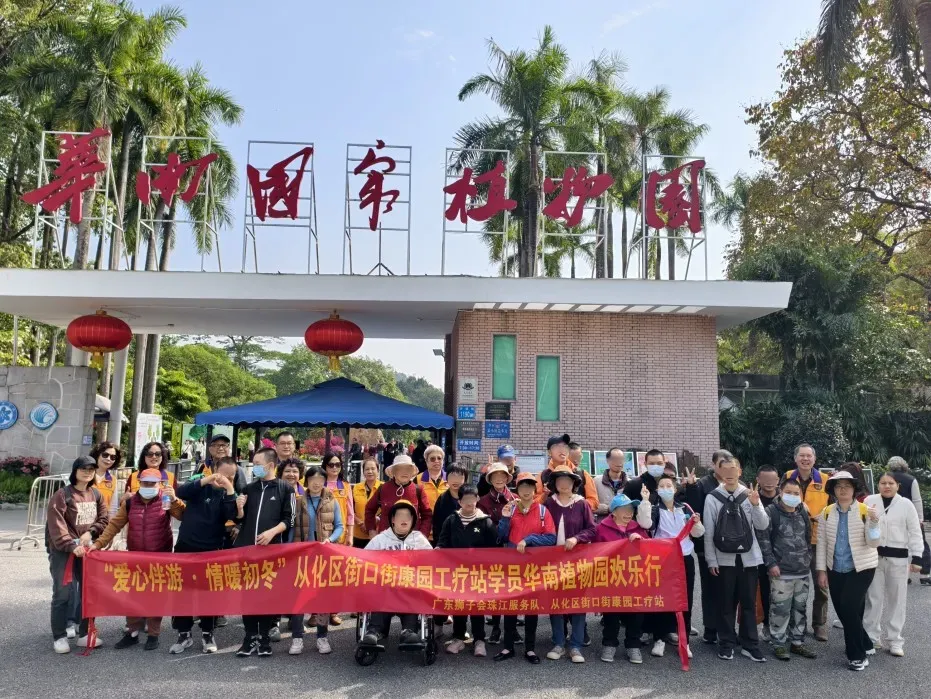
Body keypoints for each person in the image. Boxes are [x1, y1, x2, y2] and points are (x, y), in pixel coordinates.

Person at [93, 468, 184, 651]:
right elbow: (115, 525)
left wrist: (175, 500)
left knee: (156, 596)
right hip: (135, 557)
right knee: (133, 595)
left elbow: (183, 516)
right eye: (145, 483)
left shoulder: (165, 500)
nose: (148, 486)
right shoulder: (130, 502)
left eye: (152, 483)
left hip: (159, 557)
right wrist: (98, 544)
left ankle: (153, 635)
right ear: (139, 483)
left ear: (159, 484)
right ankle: (132, 633)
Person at [169, 456, 239, 655]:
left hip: (211, 550)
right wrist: (206, 480)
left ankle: (208, 633)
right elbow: (181, 492)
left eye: (231, 477)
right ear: (214, 470)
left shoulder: (229, 494)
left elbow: (231, 515)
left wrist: (230, 489)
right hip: (186, 547)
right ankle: (184, 634)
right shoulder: (200, 485)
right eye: (223, 475)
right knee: (182, 592)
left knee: (209, 593)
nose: (226, 479)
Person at [702, 456, 769, 662]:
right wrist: (711, 560)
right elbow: (709, 531)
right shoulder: (713, 497)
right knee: (726, 604)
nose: (729, 473)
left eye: (733, 469)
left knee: (749, 603)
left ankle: (750, 644)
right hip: (724, 560)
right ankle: (727, 643)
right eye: (725, 469)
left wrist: (756, 505)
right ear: (719, 472)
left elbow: (762, 525)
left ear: (740, 471)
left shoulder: (749, 494)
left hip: (749, 559)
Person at [815, 470, 881, 671]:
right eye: (838, 486)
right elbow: (822, 543)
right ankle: (866, 642)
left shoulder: (865, 510)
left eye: (847, 486)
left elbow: (874, 542)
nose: (842, 490)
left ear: (854, 489)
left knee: (848, 607)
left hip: (861, 568)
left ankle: (857, 655)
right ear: (833, 490)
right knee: (846, 610)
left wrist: (874, 521)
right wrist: (821, 571)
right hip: (835, 568)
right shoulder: (827, 512)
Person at [234, 447, 295, 658]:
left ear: (270, 465)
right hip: (248, 552)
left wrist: (272, 532)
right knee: (248, 594)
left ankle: (265, 638)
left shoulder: (285, 489)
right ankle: (250, 637)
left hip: (271, 552)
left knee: (267, 595)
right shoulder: (249, 489)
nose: (255, 467)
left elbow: (289, 519)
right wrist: (239, 508)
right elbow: (239, 519)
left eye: (258, 463)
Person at [635, 476, 704, 660]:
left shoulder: (685, 508)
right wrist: (644, 500)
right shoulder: (655, 508)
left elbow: (698, 533)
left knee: (685, 599)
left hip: (685, 557)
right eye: (662, 486)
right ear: (657, 490)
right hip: (663, 559)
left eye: (669, 486)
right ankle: (659, 638)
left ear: (675, 489)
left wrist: (697, 523)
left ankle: (684, 640)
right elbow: (645, 524)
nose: (665, 488)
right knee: (662, 598)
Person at [47, 456, 109, 654]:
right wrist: (70, 545)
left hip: (88, 551)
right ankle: (59, 636)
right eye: (83, 468)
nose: (87, 472)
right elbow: (56, 525)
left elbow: (104, 518)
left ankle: (85, 633)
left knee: (89, 592)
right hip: (63, 552)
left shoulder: (96, 494)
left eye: (91, 469)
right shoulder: (62, 495)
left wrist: (91, 533)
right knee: (63, 593)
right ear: (75, 471)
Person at [580, 493, 649, 664]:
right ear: (614, 512)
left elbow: (650, 549)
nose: (628, 513)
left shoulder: (637, 527)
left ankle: (633, 645)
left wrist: (640, 541)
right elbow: (594, 554)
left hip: (634, 579)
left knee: (636, 614)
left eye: (631, 509)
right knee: (611, 614)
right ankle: (609, 643)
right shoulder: (601, 528)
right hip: (611, 579)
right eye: (624, 509)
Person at [495, 472, 556, 664]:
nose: (526, 490)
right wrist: (505, 518)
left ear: (534, 489)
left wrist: (529, 540)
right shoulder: (511, 509)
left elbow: (551, 538)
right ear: (518, 490)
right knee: (510, 608)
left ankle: (530, 649)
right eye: (522, 487)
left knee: (531, 609)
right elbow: (501, 537)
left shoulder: (542, 511)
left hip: (533, 568)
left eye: (529, 487)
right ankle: (508, 647)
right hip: (512, 567)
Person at [756, 478, 817, 661]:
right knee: (780, 608)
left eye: (796, 493)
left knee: (800, 608)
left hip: (802, 571)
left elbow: (808, 537)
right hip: (781, 571)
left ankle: (797, 642)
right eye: (788, 492)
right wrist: (771, 563)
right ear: (780, 492)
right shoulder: (771, 512)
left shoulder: (802, 511)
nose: (792, 496)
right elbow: (764, 540)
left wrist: (807, 558)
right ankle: (779, 643)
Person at [863, 472, 923, 657]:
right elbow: (863, 527)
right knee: (873, 598)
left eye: (890, 483)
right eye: (883, 483)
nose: (886, 486)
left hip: (898, 559)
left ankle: (895, 640)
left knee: (897, 600)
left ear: (897, 485)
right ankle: (871, 637)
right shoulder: (869, 501)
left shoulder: (906, 504)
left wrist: (917, 557)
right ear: (878, 485)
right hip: (874, 557)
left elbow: (915, 530)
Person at [542, 465, 596, 663]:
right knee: (555, 603)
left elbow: (592, 529)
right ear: (554, 484)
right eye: (559, 480)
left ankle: (576, 646)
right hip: (553, 563)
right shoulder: (549, 503)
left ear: (574, 483)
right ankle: (558, 642)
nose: (563, 484)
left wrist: (577, 538)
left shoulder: (582, 504)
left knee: (578, 604)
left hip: (577, 562)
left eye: (567, 480)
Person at [361, 500, 433, 647]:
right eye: (400, 515)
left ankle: (408, 631)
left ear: (413, 520)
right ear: (392, 519)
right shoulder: (381, 540)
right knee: (379, 592)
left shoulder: (419, 540)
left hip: (410, 586)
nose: (404, 519)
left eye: (408, 516)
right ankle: (374, 631)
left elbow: (432, 562)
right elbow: (363, 560)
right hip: (386, 586)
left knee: (414, 593)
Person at [437, 484, 498, 657]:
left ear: (477, 499)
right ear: (460, 501)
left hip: (478, 572)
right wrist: (439, 549)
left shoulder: (485, 521)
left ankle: (479, 639)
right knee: (459, 605)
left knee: (477, 606)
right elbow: (443, 541)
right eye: (466, 500)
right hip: (457, 572)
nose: (470, 503)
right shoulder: (451, 520)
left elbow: (494, 549)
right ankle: (458, 638)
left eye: (473, 499)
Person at [288, 464, 342, 655]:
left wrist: (330, 539)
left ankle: (322, 637)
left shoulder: (332, 502)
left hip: (323, 557)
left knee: (322, 598)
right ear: (307, 481)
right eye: (312, 480)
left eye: (320, 480)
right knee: (298, 597)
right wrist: (289, 550)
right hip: (302, 557)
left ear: (324, 481)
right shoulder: (298, 501)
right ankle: (297, 638)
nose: (316, 483)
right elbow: (292, 528)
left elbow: (340, 526)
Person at [782, 443, 830, 642]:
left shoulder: (825, 480)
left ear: (814, 459)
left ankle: (819, 624)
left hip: (818, 539)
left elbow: (834, 505)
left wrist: (824, 515)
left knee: (821, 584)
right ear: (796, 458)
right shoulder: (787, 477)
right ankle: (792, 624)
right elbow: (779, 500)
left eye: (809, 456)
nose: (805, 459)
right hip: (793, 539)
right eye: (802, 456)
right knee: (793, 584)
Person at [686, 449, 731, 644]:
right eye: (721, 462)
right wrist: (691, 487)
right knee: (711, 588)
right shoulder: (703, 484)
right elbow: (694, 510)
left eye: (729, 462)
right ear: (713, 465)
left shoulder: (735, 484)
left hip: (731, 546)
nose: (725, 466)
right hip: (707, 544)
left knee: (729, 589)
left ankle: (727, 629)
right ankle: (711, 629)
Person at [478, 461, 518, 644]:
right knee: (495, 589)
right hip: (493, 549)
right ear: (490, 479)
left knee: (513, 589)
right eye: (495, 476)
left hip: (513, 549)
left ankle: (512, 628)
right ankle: (495, 627)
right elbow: (484, 526)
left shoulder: (515, 498)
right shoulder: (483, 501)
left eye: (503, 476)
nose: (499, 479)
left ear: (508, 478)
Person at [365, 454, 432, 538]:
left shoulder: (418, 490)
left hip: (412, 541)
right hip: (386, 540)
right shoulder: (383, 488)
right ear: (394, 471)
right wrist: (371, 530)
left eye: (408, 469)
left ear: (412, 472)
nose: (405, 472)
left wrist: (422, 535)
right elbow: (369, 510)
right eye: (400, 469)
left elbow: (427, 514)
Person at [885, 456, 929, 584]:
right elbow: (917, 500)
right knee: (921, 544)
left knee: (899, 545)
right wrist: (920, 519)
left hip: (892, 516)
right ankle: (925, 575)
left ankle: (905, 576)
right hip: (910, 516)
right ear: (904, 465)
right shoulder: (911, 479)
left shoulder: (886, 479)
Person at [535, 435, 599, 512]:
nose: (562, 450)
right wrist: (544, 495)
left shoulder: (582, 474)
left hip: (576, 518)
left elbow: (594, 501)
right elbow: (534, 504)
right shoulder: (542, 476)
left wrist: (577, 505)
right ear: (549, 452)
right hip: (550, 518)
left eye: (565, 446)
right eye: (557, 447)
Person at [755, 464, 780, 640]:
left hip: (781, 552)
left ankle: (782, 624)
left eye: (772, 479)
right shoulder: (753, 499)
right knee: (763, 589)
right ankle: (765, 624)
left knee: (781, 591)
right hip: (758, 553)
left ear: (778, 480)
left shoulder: (785, 499)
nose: (769, 483)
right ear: (758, 480)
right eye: (765, 479)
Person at [323, 452, 354, 547]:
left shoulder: (346, 486)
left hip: (341, 535)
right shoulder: (319, 485)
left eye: (337, 464)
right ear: (325, 466)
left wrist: (350, 536)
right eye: (331, 465)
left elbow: (350, 513)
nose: (334, 467)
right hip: (322, 533)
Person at [432, 464, 467, 543]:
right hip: (446, 544)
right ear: (447, 478)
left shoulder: (470, 497)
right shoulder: (442, 499)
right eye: (452, 476)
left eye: (459, 477)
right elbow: (437, 526)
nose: (455, 480)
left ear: (465, 479)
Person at [352, 458, 382, 549]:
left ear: (378, 470)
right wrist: (360, 523)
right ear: (363, 472)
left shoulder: (384, 487)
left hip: (378, 534)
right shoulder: (356, 488)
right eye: (367, 469)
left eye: (373, 469)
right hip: (358, 534)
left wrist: (372, 522)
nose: (370, 471)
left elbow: (386, 511)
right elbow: (350, 509)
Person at [594, 448, 629, 524]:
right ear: (607, 460)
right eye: (615, 459)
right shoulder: (596, 481)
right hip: (602, 524)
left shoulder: (630, 483)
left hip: (623, 525)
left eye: (621, 459)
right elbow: (591, 505)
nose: (619, 462)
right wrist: (607, 509)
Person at [418, 444, 448, 525]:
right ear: (426, 461)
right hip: (425, 525)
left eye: (439, 458)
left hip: (447, 526)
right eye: (432, 459)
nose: (436, 461)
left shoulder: (450, 478)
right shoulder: (417, 479)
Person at [89, 441, 121, 516]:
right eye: (105, 455)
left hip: (103, 521)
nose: (108, 459)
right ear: (97, 455)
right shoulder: (85, 475)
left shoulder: (113, 480)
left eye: (113, 457)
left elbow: (112, 509)